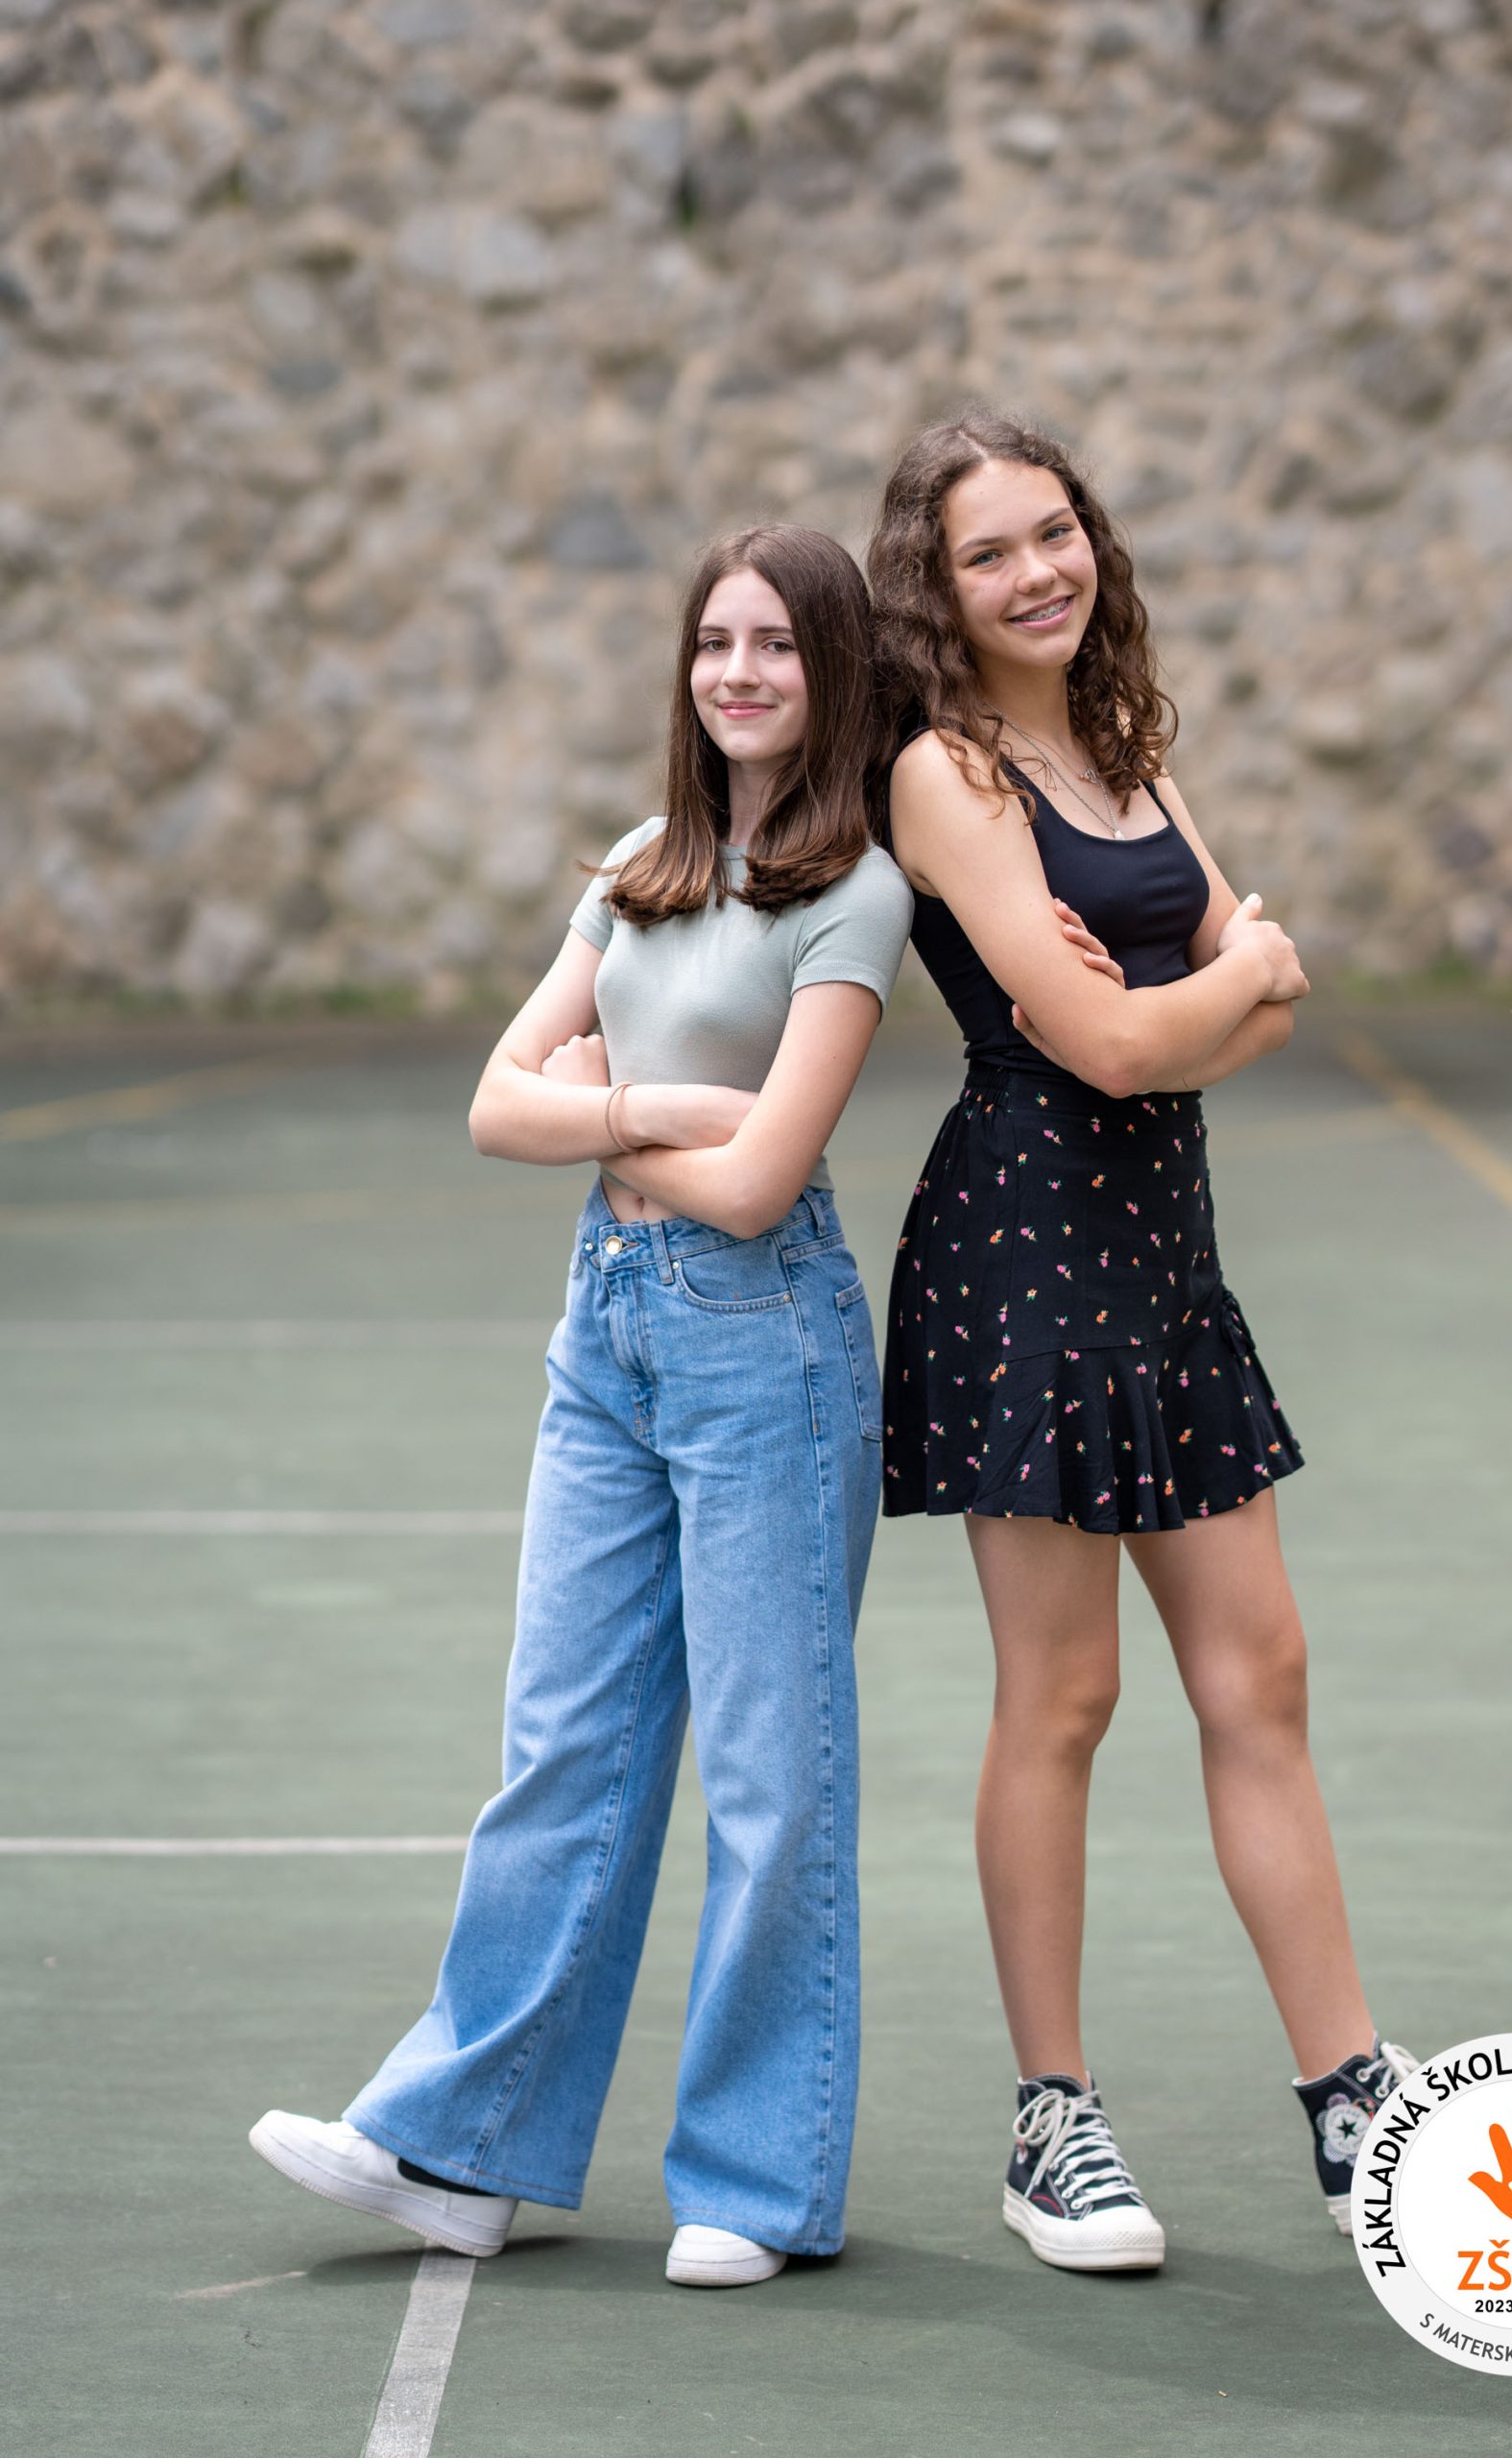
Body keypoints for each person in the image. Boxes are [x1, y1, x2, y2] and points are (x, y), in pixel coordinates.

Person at [250, 524, 916, 2287]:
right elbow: (496, 1104)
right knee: (565, 1744)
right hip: (604, 1331)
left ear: (834, 670)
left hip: (765, 1346)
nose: (738, 673)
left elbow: (766, 1185)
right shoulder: (639, 865)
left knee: (771, 1780)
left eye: (776, 643)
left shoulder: (855, 895)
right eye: (714, 642)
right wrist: (658, 1113)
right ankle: (460, 2149)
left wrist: (608, 1111)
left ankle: (756, 2185)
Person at [867, 411, 1418, 2274]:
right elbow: (1117, 1038)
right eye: (989, 552)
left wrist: (1208, 994)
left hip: (1165, 1253)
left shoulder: (1121, 745)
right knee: (1067, 1696)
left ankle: (1352, 2092)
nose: (1038, 570)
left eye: (1055, 531)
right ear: (938, 591)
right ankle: (1054, 2121)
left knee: (1262, 1675)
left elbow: (1247, 1010)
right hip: (1023, 1252)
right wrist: (1225, 977)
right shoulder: (945, 773)